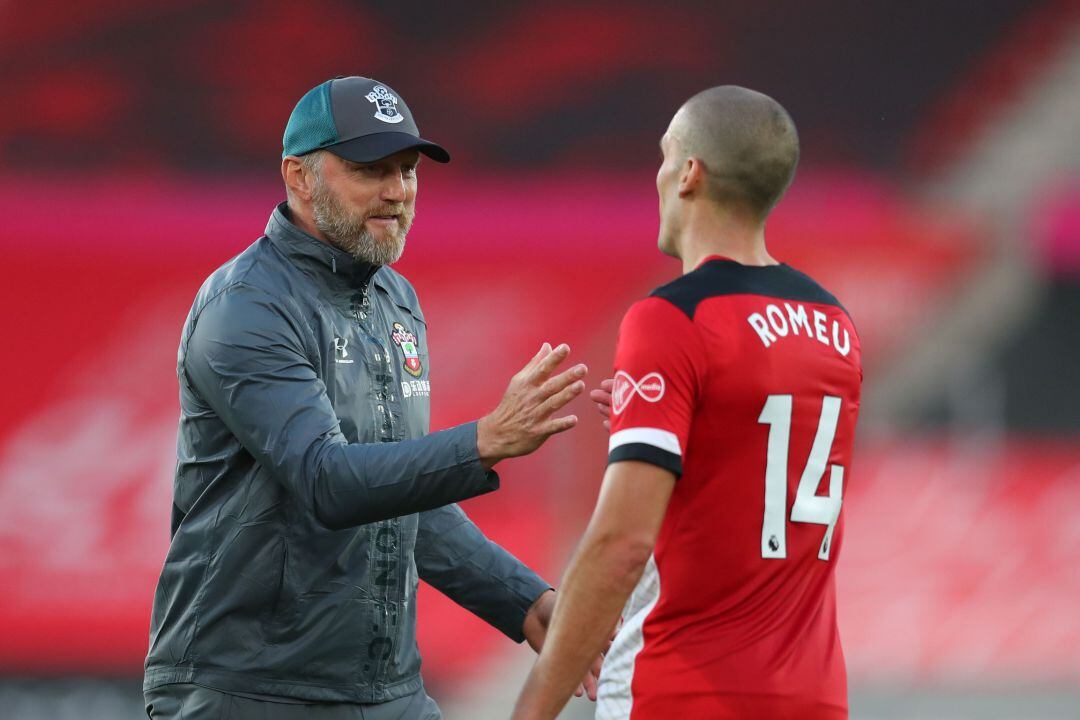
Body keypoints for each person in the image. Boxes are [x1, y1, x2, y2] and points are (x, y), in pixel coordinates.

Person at [143, 76, 600, 720]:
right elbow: (330, 483)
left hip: (384, 692)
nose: (398, 191)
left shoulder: (396, 302)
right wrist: (484, 441)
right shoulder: (247, 306)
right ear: (299, 176)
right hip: (247, 693)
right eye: (371, 170)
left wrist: (523, 599)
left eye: (408, 170)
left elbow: (400, 503)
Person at [513, 86, 863, 719]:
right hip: (810, 697)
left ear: (689, 174)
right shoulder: (834, 324)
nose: (658, 174)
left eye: (663, 156)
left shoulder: (672, 318)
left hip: (682, 691)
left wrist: (535, 704)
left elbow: (621, 542)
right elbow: (761, 481)